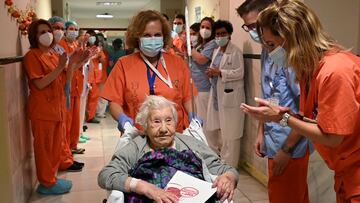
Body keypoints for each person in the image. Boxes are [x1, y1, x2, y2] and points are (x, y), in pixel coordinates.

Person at [240, 1, 360, 202]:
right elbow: (312, 118)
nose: (271, 52)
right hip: (345, 171)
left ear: (294, 38)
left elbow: (332, 138)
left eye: (273, 45)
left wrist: (282, 119)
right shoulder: (309, 74)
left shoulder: (335, 71)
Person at [236, 0, 312, 202]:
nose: (253, 32)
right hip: (274, 138)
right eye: (248, 27)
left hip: (291, 144)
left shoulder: (291, 55)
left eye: (254, 26)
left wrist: (287, 149)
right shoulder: (267, 49)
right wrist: (261, 132)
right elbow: (269, 94)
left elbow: (307, 110)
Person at [98, 95, 239, 202]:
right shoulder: (136, 147)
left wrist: (228, 178)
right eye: (156, 121)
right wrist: (144, 187)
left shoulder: (191, 143)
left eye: (168, 120)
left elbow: (226, 169)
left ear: (175, 122)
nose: (164, 129)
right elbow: (106, 175)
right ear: (145, 126)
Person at [101, 10, 197, 133]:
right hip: (137, 135)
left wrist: (193, 114)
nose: (152, 39)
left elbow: (188, 97)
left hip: (174, 134)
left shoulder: (177, 63)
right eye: (146, 35)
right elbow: (114, 102)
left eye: (157, 35)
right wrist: (122, 118)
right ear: (137, 37)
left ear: (164, 36)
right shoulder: (123, 65)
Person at [23, 19, 88, 194]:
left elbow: (65, 82)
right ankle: (46, 183)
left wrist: (73, 63)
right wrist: (61, 67)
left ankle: (51, 178)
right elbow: (40, 84)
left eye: (48, 31)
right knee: (44, 149)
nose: (47, 35)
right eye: (41, 32)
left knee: (54, 148)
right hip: (43, 111)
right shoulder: (32, 56)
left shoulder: (53, 54)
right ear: (33, 37)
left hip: (57, 109)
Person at [205, 20, 245, 169]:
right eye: (217, 34)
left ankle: (231, 167)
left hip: (231, 97)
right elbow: (214, 68)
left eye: (223, 34)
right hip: (217, 95)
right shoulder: (216, 51)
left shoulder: (236, 51)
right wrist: (211, 73)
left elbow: (240, 73)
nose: (220, 36)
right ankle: (221, 163)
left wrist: (220, 72)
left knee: (231, 135)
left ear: (229, 35)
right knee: (219, 130)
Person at [58, 20, 88, 155]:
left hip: (76, 86)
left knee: (75, 120)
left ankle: (72, 145)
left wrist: (86, 57)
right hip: (67, 86)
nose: (74, 32)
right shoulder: (61, 45)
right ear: (65, 30)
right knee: (67, 121)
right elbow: (66, 66)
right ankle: (67, 149)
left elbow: (78, 65)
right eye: (71, 28)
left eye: (76, 29)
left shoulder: (75, 44)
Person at [190, 17, 218, 148]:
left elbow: (201, 59)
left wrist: (191, 50)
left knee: (206, 122)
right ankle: (202, 146)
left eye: (208, 27)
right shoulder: (200, 45)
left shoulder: (212, 44)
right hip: (196, 87)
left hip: (205, 88)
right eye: (202, 27)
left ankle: (211, 149)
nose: (204, 30)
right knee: (198, 120)